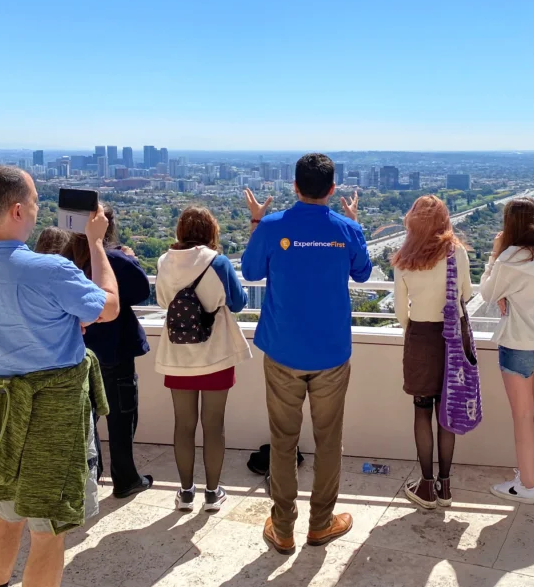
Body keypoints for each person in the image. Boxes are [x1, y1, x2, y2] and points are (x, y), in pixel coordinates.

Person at [0, 165, 120, 587]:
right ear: (16, 210)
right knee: (48, 529)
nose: (36, 210)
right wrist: (95, 243)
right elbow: (109, 307)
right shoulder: (47, 270)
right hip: (51, 413)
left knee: (7, 516)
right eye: (33, 203)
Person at [241, 153, 372, 555]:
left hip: (282, 350)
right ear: (332, 189)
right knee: (329, 440)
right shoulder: (347, 229)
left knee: (283, 441)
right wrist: (354, 223)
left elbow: (250, 272)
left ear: (294, 186)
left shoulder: (273, 226)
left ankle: (283, 529)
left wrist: (256, 222)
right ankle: (320, 524)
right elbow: (363, 273)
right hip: (331, 352)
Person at [54, 206, 155, 500]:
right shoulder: (116, 261)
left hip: (79, 351)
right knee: (122, 417)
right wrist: (131, 259)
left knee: (87, 417)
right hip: (116, 351)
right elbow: (140, 291)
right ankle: (126, 478)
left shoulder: (64, 262)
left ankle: (91, 475)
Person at [155, 207, 251, 513]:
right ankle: (212, 493)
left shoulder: (164, 261)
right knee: (213, 424)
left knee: (183, 425)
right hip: (216, 352)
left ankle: (185, 493)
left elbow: (162, 301)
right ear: (211, 231)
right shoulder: (218, 262)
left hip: (177, 353)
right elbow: (238, 302)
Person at [480, 199, 534, 505]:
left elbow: (487, 292)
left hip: (519, 342)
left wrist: (495, 254)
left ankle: (525, 486)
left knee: (522, 415)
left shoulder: (510, 260)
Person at [391, 195, 472, 509]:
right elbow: (466, 294)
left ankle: (426, 486)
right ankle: (445, 486)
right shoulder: (457, 252)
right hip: (452, 337)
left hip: (421, 336)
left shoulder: (404, 257)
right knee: (447, 412)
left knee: (422, 409)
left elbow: (401, 310)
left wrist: (413, 329)